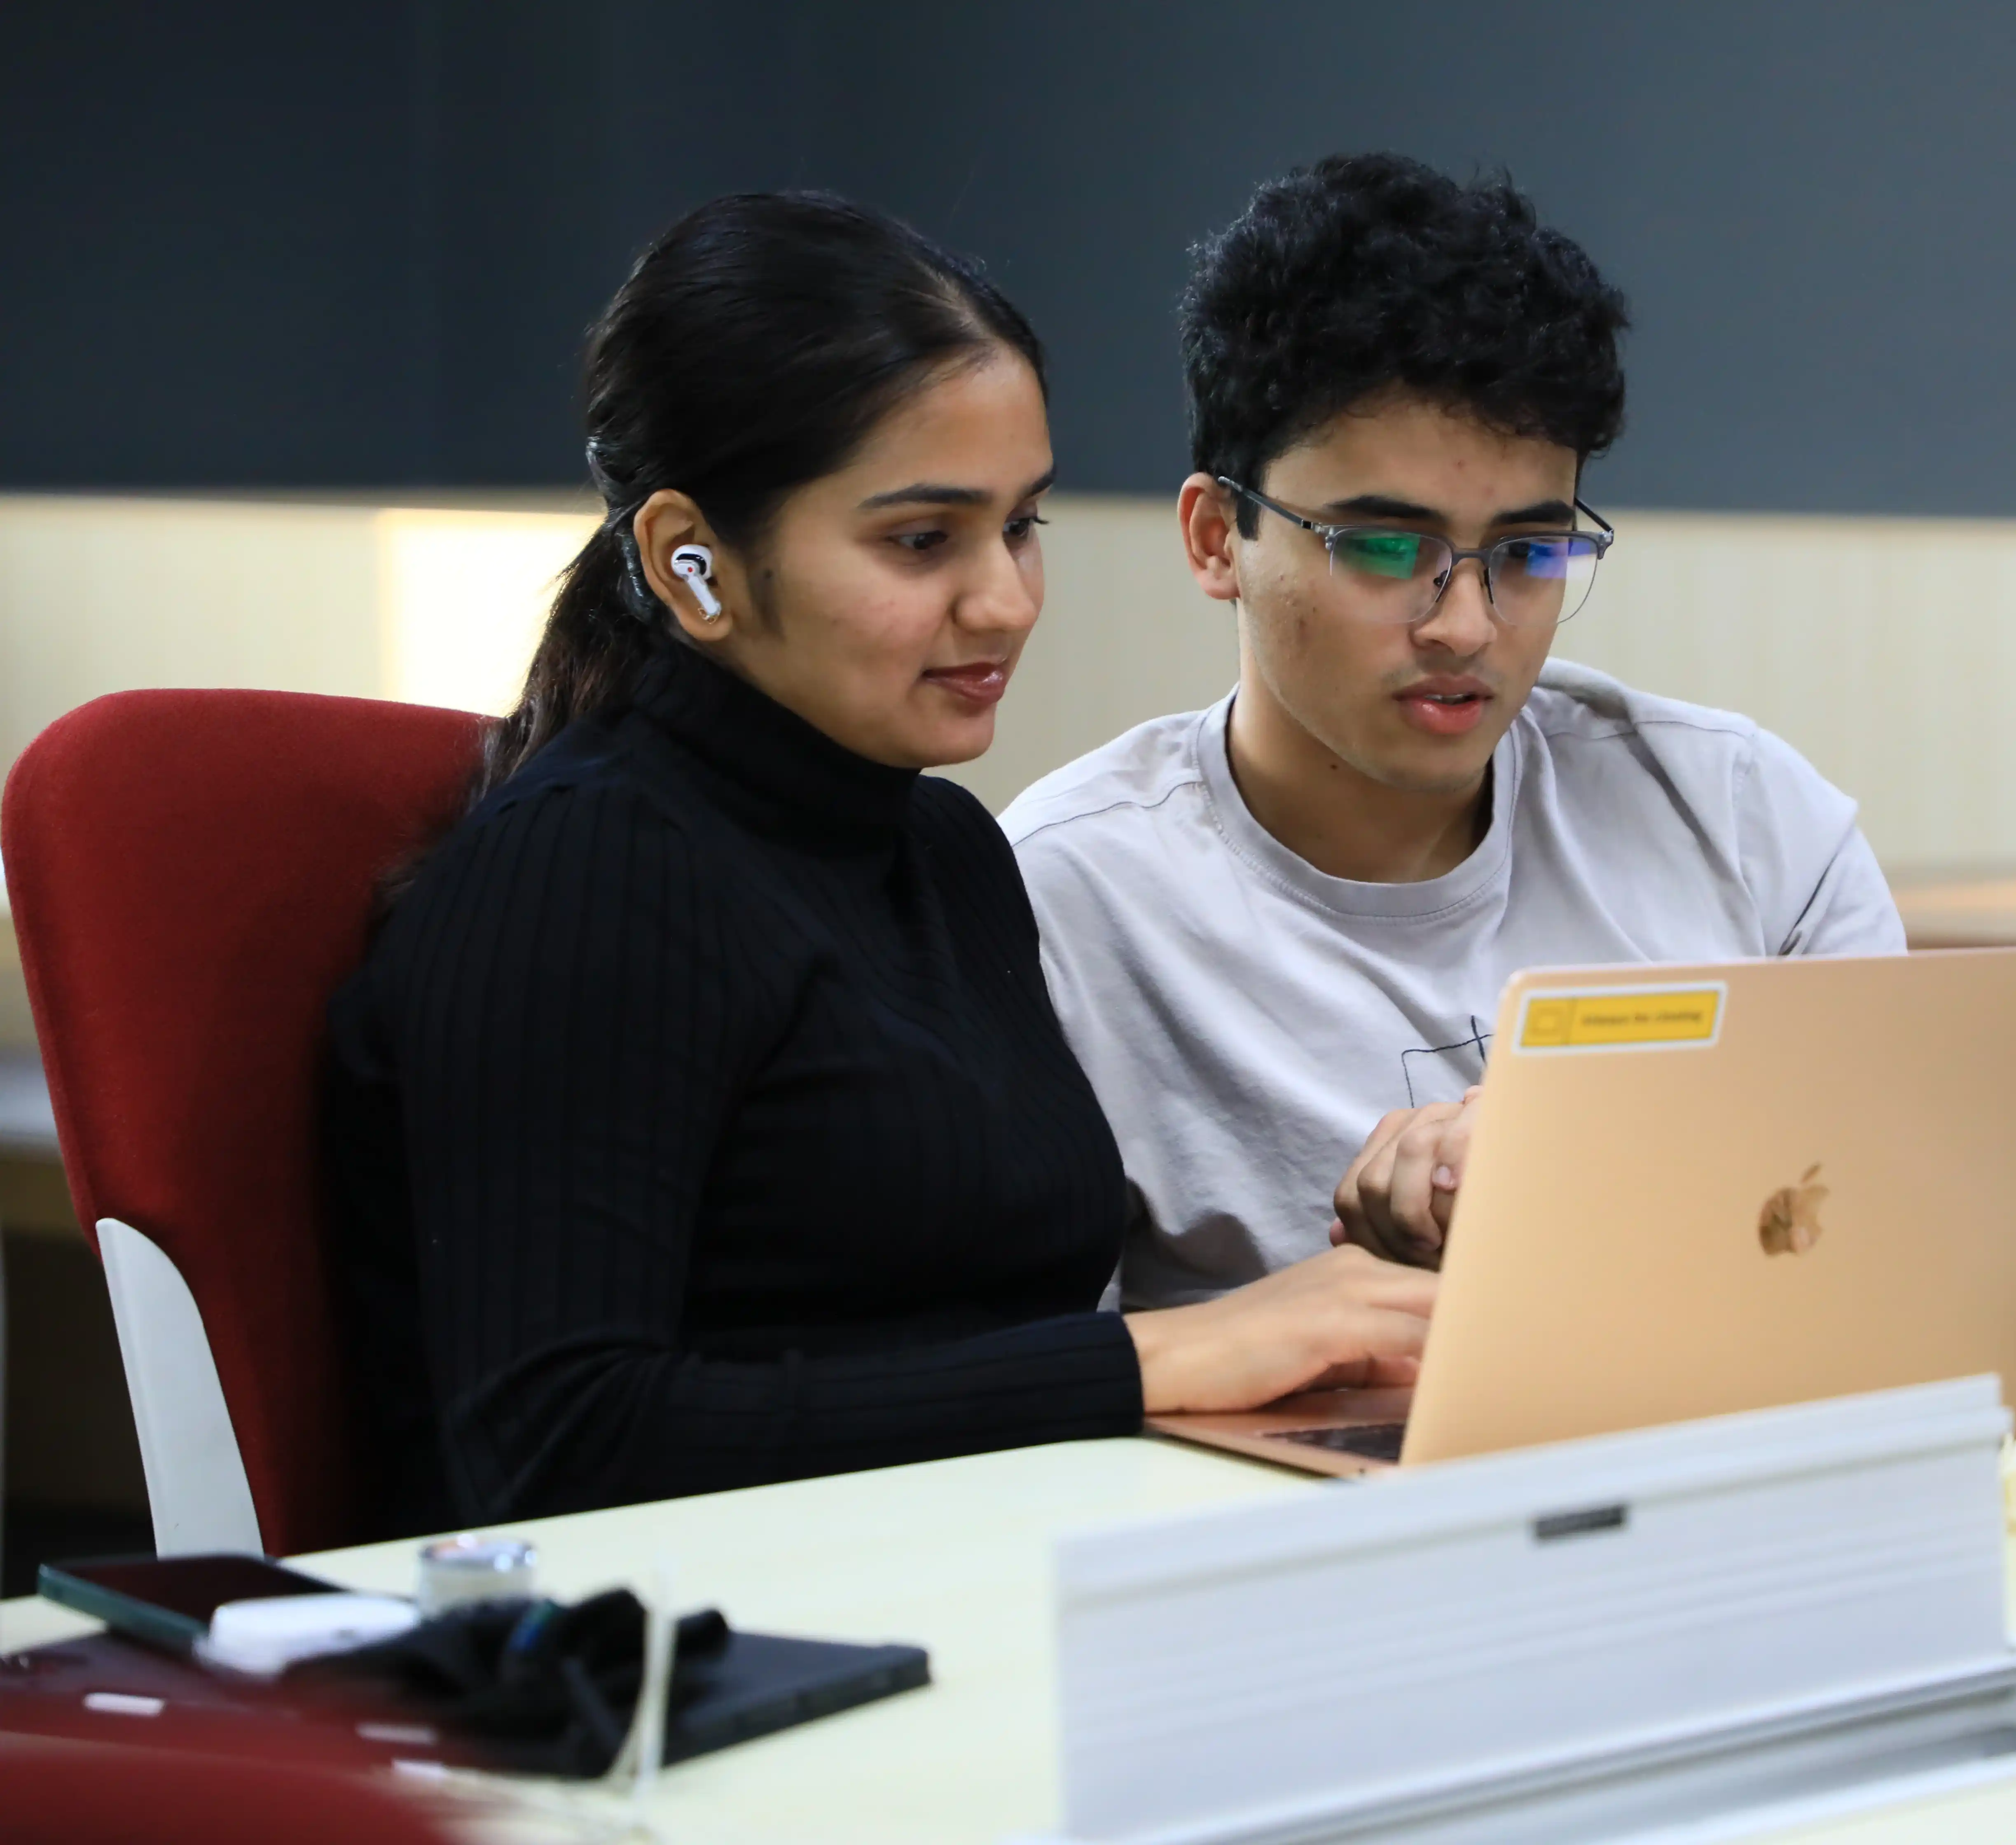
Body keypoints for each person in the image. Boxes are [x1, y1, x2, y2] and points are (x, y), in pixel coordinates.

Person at [326, 192, 1432, 1532]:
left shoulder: (944, 847)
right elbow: (557, 1446)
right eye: (921, 540)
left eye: (1022, 525)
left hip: (980, 1568)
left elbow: (971, 1344)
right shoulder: (584, 877)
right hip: (711, 1626)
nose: (1006, 601)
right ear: (690, 561)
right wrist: (1146, 1361)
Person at [1003, 156, 1905, 1308]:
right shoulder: (1063, 905)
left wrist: (1590, 1161)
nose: (1467, 625)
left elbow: (1904, 1239)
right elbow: (1027, 1393)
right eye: (1387, 548)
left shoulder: (1745, 822)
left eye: (1530, 553)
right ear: (1217, 537)